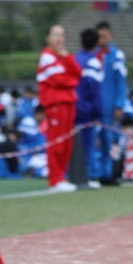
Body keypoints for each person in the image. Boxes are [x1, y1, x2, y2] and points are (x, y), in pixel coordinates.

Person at [37, 24, 83, 192]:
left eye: (61, 35)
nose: (59, 39)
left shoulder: (63, 57)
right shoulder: (47, 57)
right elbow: (60, 80)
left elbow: (77, 73)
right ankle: (55, 179)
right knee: (56, 142)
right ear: (48, 38)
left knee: (66, 143)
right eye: (55, 35)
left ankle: (61, 177)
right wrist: (73, 81)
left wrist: (68, 57)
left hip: (68, 103)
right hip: (56, 104)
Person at [95, 21, 127, 184]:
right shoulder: (94, 55)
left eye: (104, 36)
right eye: (99, 37)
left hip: (110, 106)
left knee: (109, 140)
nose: (102, 40)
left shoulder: (117, 56)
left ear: (110, 36)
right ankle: (94, 172)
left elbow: (121, 82)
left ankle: (108, 173)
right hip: (95, 106)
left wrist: (119, 104)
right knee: (95, 140)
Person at [74, 27, 105, 190]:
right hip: (87, 110)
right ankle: (87, 176)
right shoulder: (93, 62)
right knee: (87, 145)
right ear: (96, 43)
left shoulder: (74, 59)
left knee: (72, 144)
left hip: (73, 107)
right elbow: (95, 90)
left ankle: (71, 175)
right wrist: (98, 111)